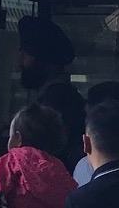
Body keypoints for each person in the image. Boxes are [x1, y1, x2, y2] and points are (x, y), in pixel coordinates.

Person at [18, 13, 86, 166]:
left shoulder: (55, 102)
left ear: (44, 60)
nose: (20, 61)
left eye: (26, 53)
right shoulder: (63, 96)